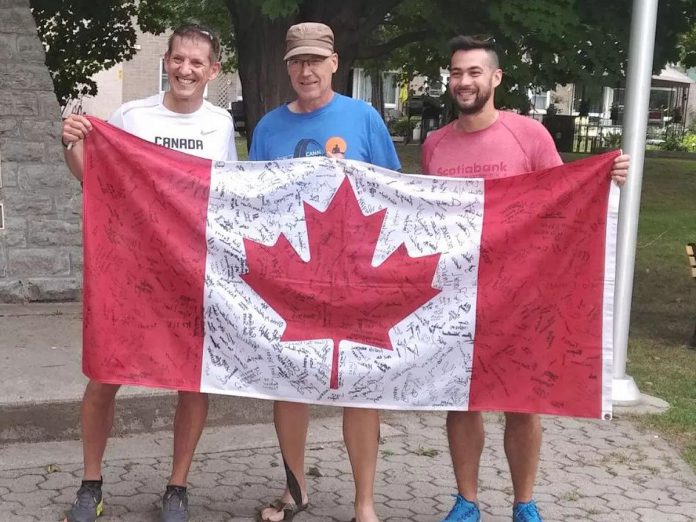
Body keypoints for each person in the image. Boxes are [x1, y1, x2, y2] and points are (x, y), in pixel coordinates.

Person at [421, 35, 629, 522]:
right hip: (459, 292)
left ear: (495, 78)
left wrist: (602, 177)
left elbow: (560, 200)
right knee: (463, 398)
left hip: (522, 291)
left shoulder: (529, 135)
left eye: (474, 72)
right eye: (456, 73)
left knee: (522, 399)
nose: (464, 82)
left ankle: (524, 503)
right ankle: (466, 501)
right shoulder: (435, 145)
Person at [60, 24, 236, 522]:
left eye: (196, 63)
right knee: (103, 374)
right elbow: (96, 178)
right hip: (130, 270)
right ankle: (90, 483)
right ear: (166, 59)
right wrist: (69, 144)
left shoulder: (220, 124)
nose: (185, 70)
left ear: (213, 70)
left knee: (193, 381)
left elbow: (224, 199)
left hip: (190, 269)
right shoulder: (132, 115)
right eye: (178, 59)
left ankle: (177, 487)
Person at [249, 22, 400, 522]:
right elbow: (251, 202)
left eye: (315, 60)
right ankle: (295, 490)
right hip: (291, 279)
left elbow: (397, 195)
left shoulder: (364, 118)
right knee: (289, 387)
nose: (306, 70)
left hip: (357, 278)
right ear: (287, 67)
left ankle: (365, 504)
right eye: (297, 61)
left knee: (361, 388)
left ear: (335, 63)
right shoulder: (269, 126)